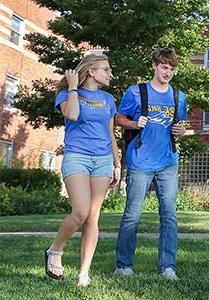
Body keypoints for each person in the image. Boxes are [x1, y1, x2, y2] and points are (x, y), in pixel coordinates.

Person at [45, 54, 120, 287]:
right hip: (77, 156)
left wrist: (117, 164)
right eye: (106, 69)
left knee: (93, 218)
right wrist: (74, 88)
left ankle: (83, 274)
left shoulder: (108, 99)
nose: (110, 74)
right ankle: (55, 250)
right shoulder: (66, 94)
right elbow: (73, 115)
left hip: (103, 159)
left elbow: (110, 134)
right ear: (91, 72)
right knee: (80, 212)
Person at [114, 48, 187, 281]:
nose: (168, 72)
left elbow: (180, 126)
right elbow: (119, 118)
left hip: (168, 162)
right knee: (132, 215)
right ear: (155, 65)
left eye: (172, 68)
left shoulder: (178, 96)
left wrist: (181, 130)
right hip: (140, 161)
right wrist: (135, 123)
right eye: (164, 67)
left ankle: (168, 267)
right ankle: (123, 265)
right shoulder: (136, 92)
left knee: (169, 215)